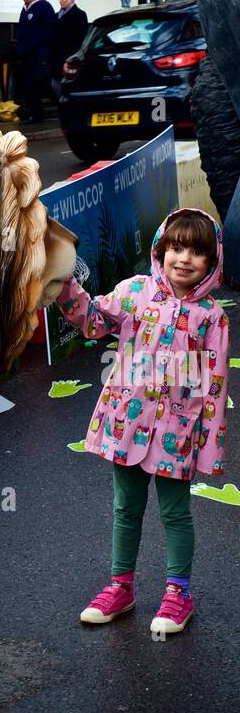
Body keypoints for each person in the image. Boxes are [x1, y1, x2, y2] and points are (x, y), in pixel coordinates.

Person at [55, 207, 229, 636]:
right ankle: (121, 587)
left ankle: (178, 593)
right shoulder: (135, 292)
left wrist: (209, 447)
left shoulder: (212, 318)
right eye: (176, 247)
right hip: (126, 425)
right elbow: (94, 324)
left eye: (196, 252)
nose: (184, 259)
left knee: (175, 512)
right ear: (160, 250)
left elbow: (215, 386)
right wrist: (65, 289)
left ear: (212, 261)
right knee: (125, 508)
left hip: (177, 432)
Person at [14, 0, 56, 123]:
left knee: (44, 84)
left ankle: (63, 108)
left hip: (39, 55)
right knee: (29, 86)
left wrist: (40, 49)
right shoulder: (24, 9)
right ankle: (36, 115)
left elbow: (49, 31)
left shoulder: (44, 7)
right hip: (26, 56)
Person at [50, 0, 88, 98]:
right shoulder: (56, 15)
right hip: (56, 59)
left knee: (68, 90)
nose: (60, 1)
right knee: (55, 87)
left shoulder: (79, 15)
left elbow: (82, 37)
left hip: (70, 58)